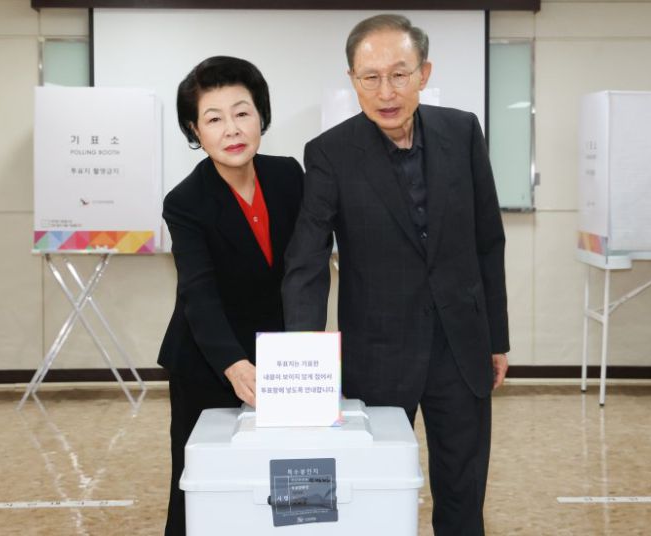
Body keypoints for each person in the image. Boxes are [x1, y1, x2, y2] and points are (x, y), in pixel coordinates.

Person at [282, 14, 509, 535]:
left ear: (424, 73)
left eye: (400, 74)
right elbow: (307, 259)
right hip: (378, 351)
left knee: (463, 489)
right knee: (373, 490)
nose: (386, 91)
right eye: (370, 77)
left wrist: (496, 337)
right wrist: (302, 354)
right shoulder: (329, 154)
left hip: (461, 345)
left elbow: (487, 241)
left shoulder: (462, 131)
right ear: (352, 79)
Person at [158, 56, 303, 536]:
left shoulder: (289, 177)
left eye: (242, 112)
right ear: (195, 131)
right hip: (209, 362)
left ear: (261, 115)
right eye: (213, 118)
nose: (232, 129)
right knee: (200, 484)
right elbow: (198, 293)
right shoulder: (185, 201)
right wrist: (234, 363)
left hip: (281, 360)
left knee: (284, 481)